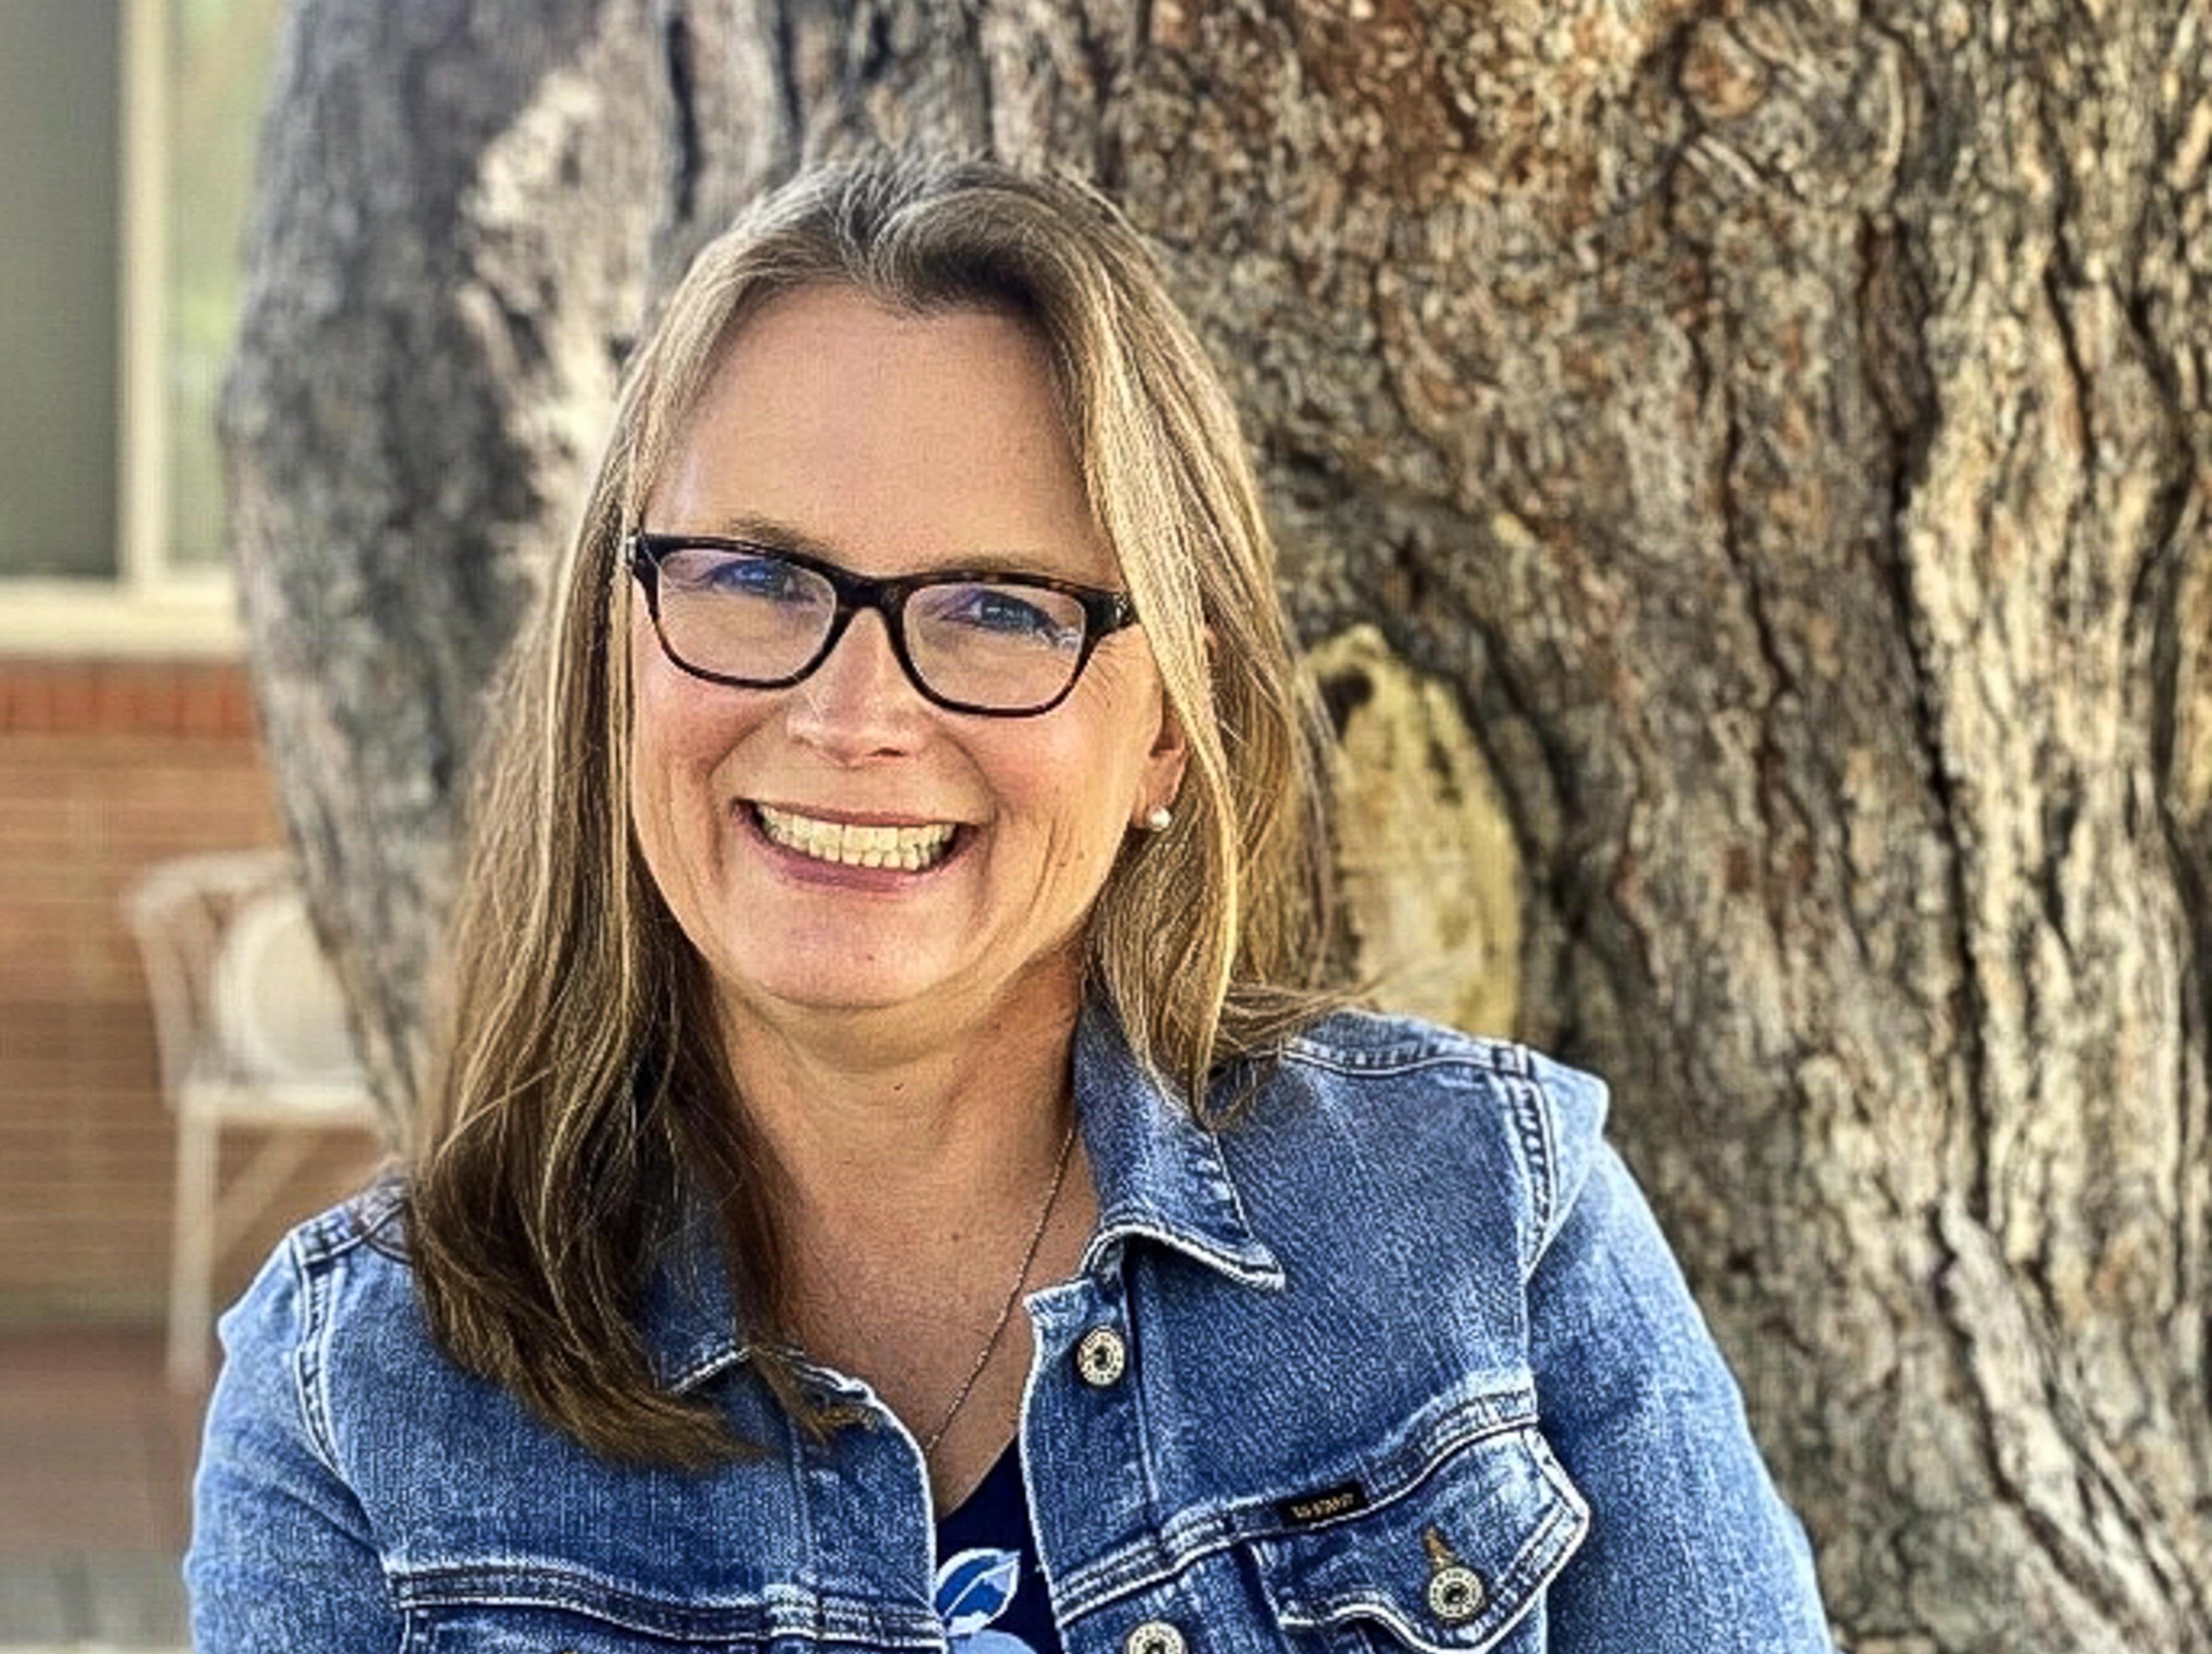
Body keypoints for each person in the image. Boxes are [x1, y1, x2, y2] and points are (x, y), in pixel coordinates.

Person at [187, 151, 1839, 1652]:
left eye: (998, 605)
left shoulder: (1495, 1229)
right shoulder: (361, 1393)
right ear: (618, 650)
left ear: (1168, 734)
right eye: (758, 577)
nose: (852, 717)